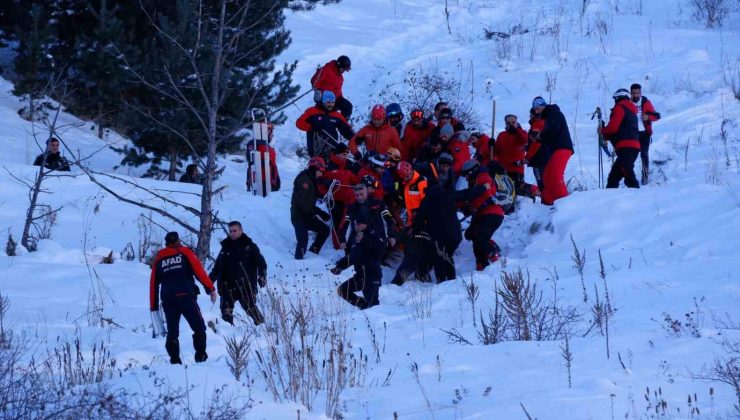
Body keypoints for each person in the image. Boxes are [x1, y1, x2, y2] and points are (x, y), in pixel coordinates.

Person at [149, 231, 217, 364]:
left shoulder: (159, 259)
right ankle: (201, 357)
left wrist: (154, 307)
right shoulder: (185, 252)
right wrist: (211, 289)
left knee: (172, 332)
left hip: (168, 299)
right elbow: (199, 272)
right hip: (186, 296)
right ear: (178, 241)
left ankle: (175, 361)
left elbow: (153, 285)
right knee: (199, 327)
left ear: (166, 243)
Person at [334, 184, 389, 310]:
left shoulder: (373, 238)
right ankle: (363, 307)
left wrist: (391, 235)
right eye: (357, 195)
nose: (359, 197)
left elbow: (387, 223)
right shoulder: (357, 238)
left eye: (361, 194)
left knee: (373, 306)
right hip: (360, 276)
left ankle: (372, 314)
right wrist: (339, 266)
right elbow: (354, 255)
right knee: (343, 290)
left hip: (371, 276)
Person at [209, 221, 267, 326]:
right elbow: (217, 268)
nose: (232, 233)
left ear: (241, 230)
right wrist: (208, 283)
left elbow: (262, 263)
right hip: (227, 286)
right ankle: (227, 338)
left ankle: (265, 330)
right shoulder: (225, 247)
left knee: (251, 309)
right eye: (230, 231)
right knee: (226, 314)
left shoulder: (250, 246)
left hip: (245, 286)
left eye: (235, 231)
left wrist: (262, 276)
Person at [457, 160, 504, 271]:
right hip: (483, 214)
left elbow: (485, 195)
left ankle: (494, 255)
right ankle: (481, 264)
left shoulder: (483, 177)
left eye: (467, 175)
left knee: (480, 238)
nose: (467, 178)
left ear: (472, 171)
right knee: (474, 236)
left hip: (492, 213)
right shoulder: (475, 181)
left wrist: (473, 206)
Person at [531, 97, 573, 205]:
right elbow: (549, 134)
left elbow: (553, 128)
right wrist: (539, 138)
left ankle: (566, 204)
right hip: (556, 149)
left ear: (543, 105)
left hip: (563, 147)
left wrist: (540, 135)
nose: (536, 111)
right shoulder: (549, 117)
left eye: (537, 108)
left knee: (555, 175)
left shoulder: (553, 113)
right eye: (534, 109)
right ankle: (549, 203)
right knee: (547, 176)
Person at [290, 157, 331, 259]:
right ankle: (298, 262)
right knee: (303, 240)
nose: (321, 174)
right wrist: (318, 212)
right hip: (299, 216)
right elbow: (303, 202)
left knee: (324, 230)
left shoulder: (312, 180)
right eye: (320, 171)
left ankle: (312, 254)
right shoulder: (304, 180)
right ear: (314, 169)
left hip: (307, 215)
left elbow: (315, 194)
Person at [599, 88, 640, 188]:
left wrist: (602, 131)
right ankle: (609, 200)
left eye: (615, 99)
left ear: (618, 97)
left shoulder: (620, 107)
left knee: (629, 176)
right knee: (613, 177)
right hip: (633, 147)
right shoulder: (632, 111)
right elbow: (621, 129)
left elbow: (613, 128)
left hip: (625, 147)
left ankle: (640, 199)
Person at [296, 91, 354, 158]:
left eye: (332, 102)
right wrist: (311, 127)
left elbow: (346, 128)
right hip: (315, 151)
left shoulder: (337, 115)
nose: (330, 104)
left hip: (332, 150)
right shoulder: (311, 111)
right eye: (327, 102)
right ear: (323, 101)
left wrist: (353, 137)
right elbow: (299, 123)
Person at [322, 143, 359, 249]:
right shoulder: (328, 165)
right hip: (334, 200)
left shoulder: (349, 165)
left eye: (347, 155)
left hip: (347, 199)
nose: (346, 157)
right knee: (337, 222)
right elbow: (321, 181)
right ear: (337, 154)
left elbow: (354, 180)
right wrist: (326, 188)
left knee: (346, 222)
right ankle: (337, 246)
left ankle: (344, 243)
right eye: (344, 154)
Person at [494, 115, 538, 199]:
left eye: (513, 122)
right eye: (508, 123)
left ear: (517, 122)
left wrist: (516, 131)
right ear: (505, 124)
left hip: (516, 168)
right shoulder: (501, 135)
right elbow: (496, 151)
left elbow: (525, 140)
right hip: (503, 168)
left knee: (518, 187)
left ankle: (540, 192)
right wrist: (491, 145)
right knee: (505, 190)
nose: (511, 124)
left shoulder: (523, 133)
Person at [630, 83, 661, 185]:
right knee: (630, 156)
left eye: (637, 93)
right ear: (631, 93)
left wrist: (648, 117)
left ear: (640, 93)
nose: (636, 95)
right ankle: (630, 177)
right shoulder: (627, 103)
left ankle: (645, 176)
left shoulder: (646, 102)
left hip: (644, 133)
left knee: (644, 155)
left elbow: (657, 116)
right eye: (634, 93)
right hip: (632, 134)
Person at [246, 123, 281, 191]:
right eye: (270, 132)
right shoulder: (255, 144)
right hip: (262, 182)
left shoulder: (266, 146)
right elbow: (252, 162)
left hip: (270, 182)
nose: (272, 135)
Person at [396, 161, 428, 228]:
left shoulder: (421, 181)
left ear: (411, 170)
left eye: (407, 176)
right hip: (411, 221)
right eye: (404, 177)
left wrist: (418, 214)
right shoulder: (405, 184)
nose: (406, 178)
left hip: (421, 220)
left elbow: (426, 201)